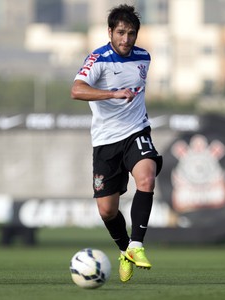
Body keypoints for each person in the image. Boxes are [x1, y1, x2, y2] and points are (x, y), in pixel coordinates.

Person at [71, 4, 163, 282]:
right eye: (120, 32)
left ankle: (136, 245)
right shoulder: (98, 59)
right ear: (109, 32)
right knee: (107, 210)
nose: (126, 39)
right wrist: (111, 93)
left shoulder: (144, 57)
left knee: (146, 178)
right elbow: (76, 90)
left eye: (131, 33)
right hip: (105, 141)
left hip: (136, 132)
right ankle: (125, 250)